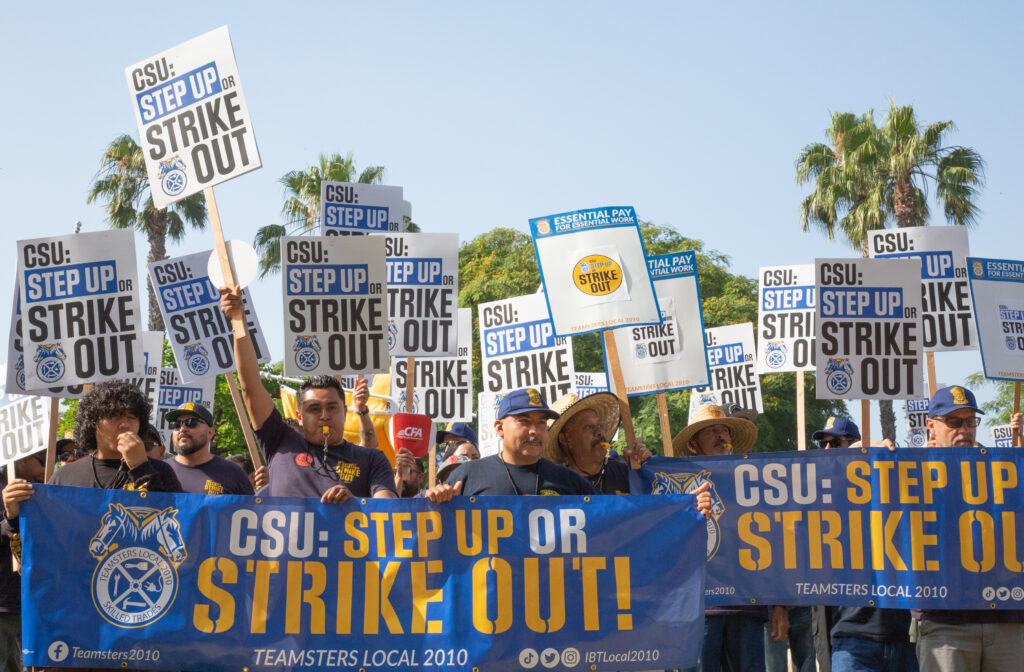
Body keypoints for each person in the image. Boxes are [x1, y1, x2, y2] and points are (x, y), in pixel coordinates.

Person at [220, 287, 396, 503]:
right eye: (314, 408)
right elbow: (250, 387)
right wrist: (238, 323)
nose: (324, 415)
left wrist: (355, 503)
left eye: (332, 408)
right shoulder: (279, 442)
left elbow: (387, 513)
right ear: (299, 415)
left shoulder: (371, 459)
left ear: (345, 411)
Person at [914, 385, 1024, 672]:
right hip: (946, 625)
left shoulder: (1001, 469)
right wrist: (878, 457)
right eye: (953, 422)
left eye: (970, 421)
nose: (964, 429)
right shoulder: (910, 474)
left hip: (1007, 620)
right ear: (931, 426)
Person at [673, 403, 788, 672]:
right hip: (699, 610)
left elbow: (774, 540)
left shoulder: (755, 483)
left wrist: (780, 604)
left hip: (747, 605)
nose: (721, 435)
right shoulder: (675, 484)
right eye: (711, 431)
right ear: (693, 444)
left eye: (724, 430)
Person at [445, 388, 598, 496]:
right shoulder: (467, 476)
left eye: (541, 423)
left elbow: (608, 525)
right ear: (499, 428)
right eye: (524, 421)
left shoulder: (571, 481)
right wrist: (435, 499)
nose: (534, 431)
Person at [545, 391, 651, 494]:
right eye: (588, 427)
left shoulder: (626, 473)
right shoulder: (556, 488)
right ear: (565, 439)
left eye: (600, 425)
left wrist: (646, 470)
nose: (599, 432)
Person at [163, 402, 254, 495]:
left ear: (210, 432)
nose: (182, 429)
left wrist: (267, 489)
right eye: (177, 425)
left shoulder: (233, 473)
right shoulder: (158, 472)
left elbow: (251, 509)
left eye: (191, 423)